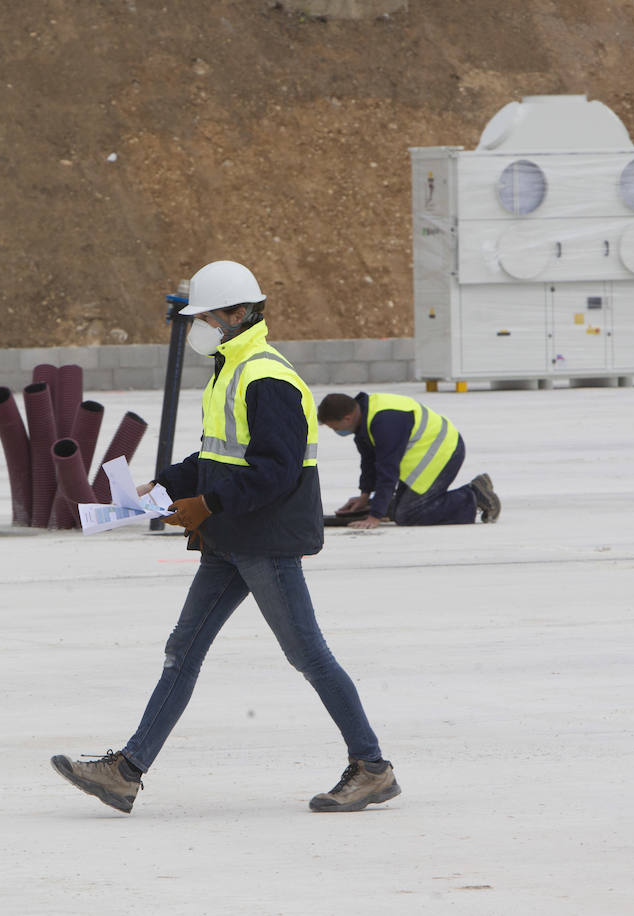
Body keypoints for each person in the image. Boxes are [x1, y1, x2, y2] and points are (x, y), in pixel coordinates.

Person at [51, 260, 399, 814]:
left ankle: (372, 768)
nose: (199, 329)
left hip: (266, 538)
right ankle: (127, 771)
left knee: (307, 654)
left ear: (238, 314)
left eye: (206, 318)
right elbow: (216, 455)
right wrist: (161, 486)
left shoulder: (267, 377)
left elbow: (276, 470)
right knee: (181, 652)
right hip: (230, 536)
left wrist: (205, 503)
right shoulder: (230, 367)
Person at [316, 391, 500, 529]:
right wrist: (364, 497)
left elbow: (388, 470)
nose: (336, 432)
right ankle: (388, 505)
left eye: (334, 427)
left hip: (443, 452)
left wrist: (375, 517)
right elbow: (369, 461)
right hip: (428, 453)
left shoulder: (384, 422)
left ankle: (474, 496)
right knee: (399, 510)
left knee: (409, 514)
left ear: (347, 418)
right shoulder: (364, 417)